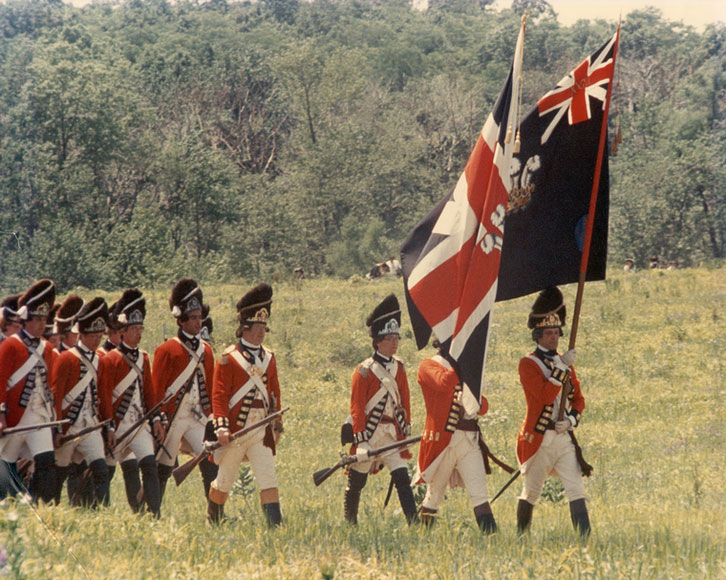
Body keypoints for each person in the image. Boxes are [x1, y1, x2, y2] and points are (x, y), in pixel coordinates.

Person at [515, 287, 590, 537]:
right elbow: (545, 395)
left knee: (576, 489)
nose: (553, 338)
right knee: (531, 493)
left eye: (556, 332)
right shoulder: (528, 364)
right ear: (537, 335)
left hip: (562, 436)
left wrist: (570, 420)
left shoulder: (564, 361)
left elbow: (578, 399)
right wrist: (560, 368)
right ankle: (521, 538)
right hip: (538, 438)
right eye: (548, 333)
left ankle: (585, 540)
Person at [207, 284, 284, 526]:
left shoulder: (269, 358)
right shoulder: (228, 358)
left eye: (264, 327)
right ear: (245, 329)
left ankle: (275, 524)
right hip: (236, 429)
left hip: (261, 428)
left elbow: (274, 394)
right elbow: (218, 395)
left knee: (268, 476)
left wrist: (277, 426)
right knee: (225, 480)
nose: (261, 332)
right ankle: (213, 518)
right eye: (257, 327)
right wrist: (221, 427)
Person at [415, 340, 505, 534]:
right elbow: (444, 383)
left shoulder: (463, 367)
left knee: (480, 495)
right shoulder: (428, 365)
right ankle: (422, 538)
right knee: (434, 497)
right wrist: (463, 364)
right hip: (444, 441)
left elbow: (484, 406)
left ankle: (492, 541)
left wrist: (475, 401)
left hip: (469, 440)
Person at [343, 294, 417, 526]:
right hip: (370, 433)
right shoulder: (364, 371)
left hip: (392, 432)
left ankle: (415, 523)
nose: (394, 343)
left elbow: (405, 402)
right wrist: (362, 440)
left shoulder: (400, 367)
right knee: (357, 481)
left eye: (396, 338)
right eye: (389, 338)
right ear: (378, 341)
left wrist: (405, 432)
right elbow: (357, 408)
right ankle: (350, 522)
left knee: (402, 478)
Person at [98, 289, 163, 517]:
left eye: (140, 328)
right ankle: (98, 510)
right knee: (107, 471)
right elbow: (105, 396)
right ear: (122, 332)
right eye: (134, 329)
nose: (138, 333)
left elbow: (149, 393)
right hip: (118, 425)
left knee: (149, 466)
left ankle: (153, 514)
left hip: (139, 424)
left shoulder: (144, 358)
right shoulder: (110, 360)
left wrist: (155, 419)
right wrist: (110, 427)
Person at [152, 278, 216, 504]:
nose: (199, 323)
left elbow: (210, 387)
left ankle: (214, 513)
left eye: (200, 318)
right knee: (164, 466)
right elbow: (157, 388)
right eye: (194, 318)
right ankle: (153, 511)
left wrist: (213, 417)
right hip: (173, 417)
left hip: (197, 416)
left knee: (210, 457)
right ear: (181, 320)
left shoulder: (206, 351)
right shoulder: (166, 349)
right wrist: (159, 419)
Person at [0, 279, 58, 503]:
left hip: (40, 416)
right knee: (6, 465)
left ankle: (42, 509)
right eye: (38, 319)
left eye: (44, 319)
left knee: (46, 461)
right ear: (27, 319)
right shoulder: (10, 345)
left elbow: (51, 386)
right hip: (15, 417)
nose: (42, 324)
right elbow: (1, 381)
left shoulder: (48, 348)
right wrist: (1, 416)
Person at [53, 298, 112, 507]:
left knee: (101, 468)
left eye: (99, 336)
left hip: (90, 424)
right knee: (59, 472)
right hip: (68, 426)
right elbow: (57, 396)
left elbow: (104, 397)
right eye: (93, 336)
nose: (97, 341)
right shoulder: (67, 358)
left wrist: (109, 426)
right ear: (82, 335)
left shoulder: (100, 360)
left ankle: (104, 511)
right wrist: (57, 428)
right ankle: (53, 509)